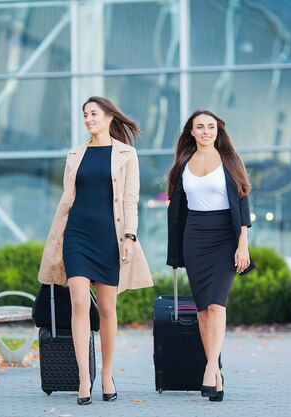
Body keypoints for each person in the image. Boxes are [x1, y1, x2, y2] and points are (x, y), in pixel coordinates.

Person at [38, 96, 153, 405]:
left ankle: (107, 373)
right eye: (85, 114)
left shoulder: (127, 154)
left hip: (109, 237)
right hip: (76, 234)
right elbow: (68, 198)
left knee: (106, 309)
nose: (88, 119)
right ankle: (84, 378)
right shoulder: (75, 154)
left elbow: (130, 199)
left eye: (93, 114)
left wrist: (130, 236)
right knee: (78, 303)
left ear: (108, 118)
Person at [166, 109, 255, 402]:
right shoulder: (183, 164)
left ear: (218, 130)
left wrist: (242, 244)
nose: (206, 131)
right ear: (191, 131)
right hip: (195, 238)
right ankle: (215, 370)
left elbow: (242, 202)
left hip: (224, 238)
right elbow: (177, 209)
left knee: (217, 305)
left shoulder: (229, 160)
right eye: (200, 127)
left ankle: (208, 369)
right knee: (203, 309)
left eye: (211, 126)